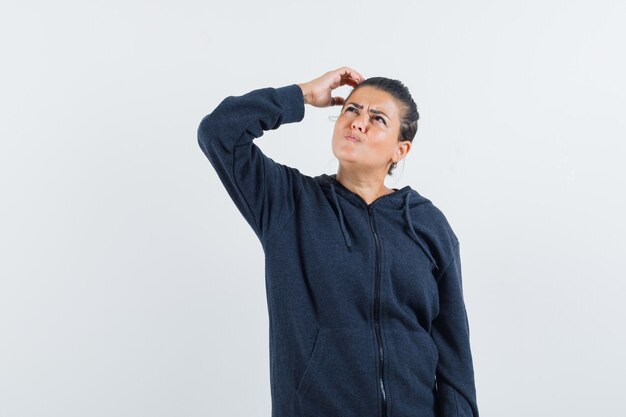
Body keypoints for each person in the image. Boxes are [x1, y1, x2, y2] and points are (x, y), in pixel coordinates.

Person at [197, 66, 479, 417]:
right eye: (352, 110)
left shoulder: (427, 224)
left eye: (377, 119)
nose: (358, 122)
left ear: (400, 150)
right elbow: (219, 132)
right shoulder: (289, 203)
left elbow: (455, 362)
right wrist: (300, 94)